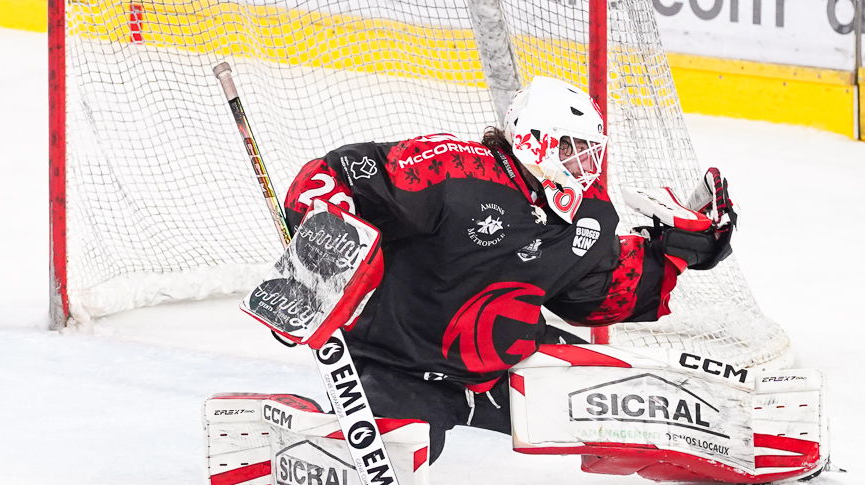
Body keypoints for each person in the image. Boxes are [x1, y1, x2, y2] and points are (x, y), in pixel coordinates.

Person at [281, 76, 733, 464]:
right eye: (574, 148)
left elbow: (588, 294)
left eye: (591, 150)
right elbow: (336, 175)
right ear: (535, 139)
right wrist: (321, 241)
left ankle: (729, 441)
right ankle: (295, 436)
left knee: (633, 408)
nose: (587, 164)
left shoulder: (587, 211)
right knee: (391, 461)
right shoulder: (451, 169)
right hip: (399, 368)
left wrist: (674, 252)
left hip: (505, 368)